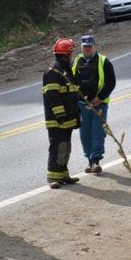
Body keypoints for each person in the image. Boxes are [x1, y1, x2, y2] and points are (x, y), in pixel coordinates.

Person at [72, 35, 116, 174]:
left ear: (95, 46)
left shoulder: (104, 62)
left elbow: (111, 83)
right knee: (85, 134)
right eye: (85, 46)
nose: (87, 49)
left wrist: (100, 98)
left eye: (90, 46)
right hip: (82, 105)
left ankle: (96, 161)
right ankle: (89, 161)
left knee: (97, 132)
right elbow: (72, 82)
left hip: (99, 105)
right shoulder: (77, 61)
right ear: (81, 47)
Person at [43, 38, 81, 189]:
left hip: (68, 119)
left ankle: (63, 174)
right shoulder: (53, 71)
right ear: (67, 53)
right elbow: (53, 96)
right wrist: (60, 115)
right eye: (71, 52)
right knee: (56, 147)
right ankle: (53, 177)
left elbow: (72, 95)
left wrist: (76, 116)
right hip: (57, 120)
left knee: (65, 146)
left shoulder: (67, 70)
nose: (72, 54)